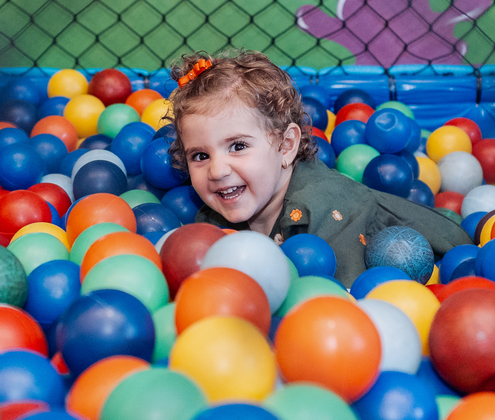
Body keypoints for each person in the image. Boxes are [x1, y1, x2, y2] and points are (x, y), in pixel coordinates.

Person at [167, 50, 472, 285]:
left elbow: (343, 297)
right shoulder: (213, 215)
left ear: (286, 146)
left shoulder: (322, 211)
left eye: (238, 146)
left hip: (455, 261)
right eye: (200, 156)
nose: (217, 171)